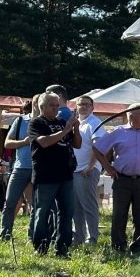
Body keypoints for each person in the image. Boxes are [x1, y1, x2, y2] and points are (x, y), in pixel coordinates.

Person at [93, 105, 140, 254]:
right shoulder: (118, 132)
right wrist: (108, 167)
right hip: (122, 179)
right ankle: (118, 245)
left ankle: (137, 246)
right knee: (119, 213)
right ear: (130, 116)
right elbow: (97, 149)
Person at [29, 92, 82, 256]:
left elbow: (77, 144)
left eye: (57, 105)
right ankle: (40, 248)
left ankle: (63, 248)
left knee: (67, 212)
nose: (55, 108)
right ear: (42, 107)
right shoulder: (36, 123)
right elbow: (44, 142)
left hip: (65, 175)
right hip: (45, 176)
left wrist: (75, 128)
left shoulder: (61, 122)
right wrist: (66, 129)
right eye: (52, 105)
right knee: (42, 212)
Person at [0, 97, 38, 241]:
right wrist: (24, 142)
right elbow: (7, 143)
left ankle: (32, 236)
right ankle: (4, 234)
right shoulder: (20, 121)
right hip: (20, 167)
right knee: (10, 201)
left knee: (35, 204)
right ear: (33, 104)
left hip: (37, 169)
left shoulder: (45, 122)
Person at [72, 95, 102, 246]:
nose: (83, 107)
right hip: (76, 170)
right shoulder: (78, 123)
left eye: (86, 104)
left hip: (86, 170)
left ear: (92, 107)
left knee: (88, 206)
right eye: (80, 104)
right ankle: (78, 237)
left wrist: (90, 166)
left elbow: (99, 145)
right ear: (76, 107)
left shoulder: (94, 123)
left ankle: (92, 238)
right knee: (76, 207)